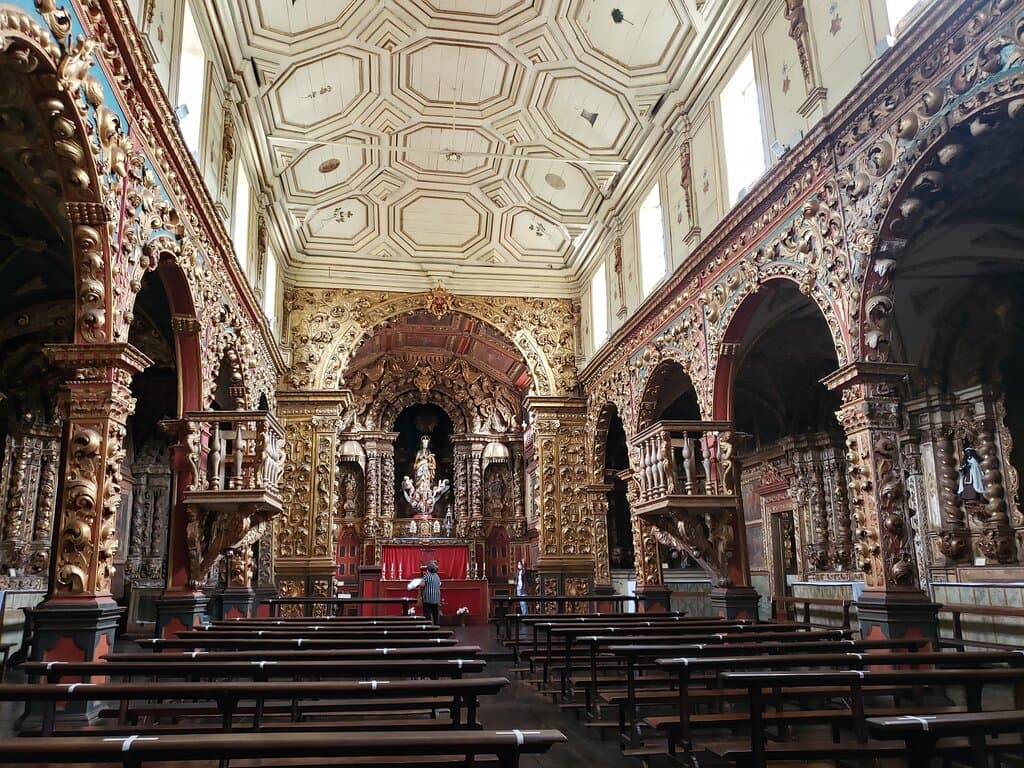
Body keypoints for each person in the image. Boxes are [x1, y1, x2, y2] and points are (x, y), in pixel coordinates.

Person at [421, 561, 442, 625]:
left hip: (428, 599)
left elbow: (422, 584)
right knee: (435, 614)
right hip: (436, 598)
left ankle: (428, 627)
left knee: (427, 614)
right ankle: (436, 626)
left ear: (428, 569)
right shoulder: (437, 576)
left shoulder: (427, 576)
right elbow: (440, 584)